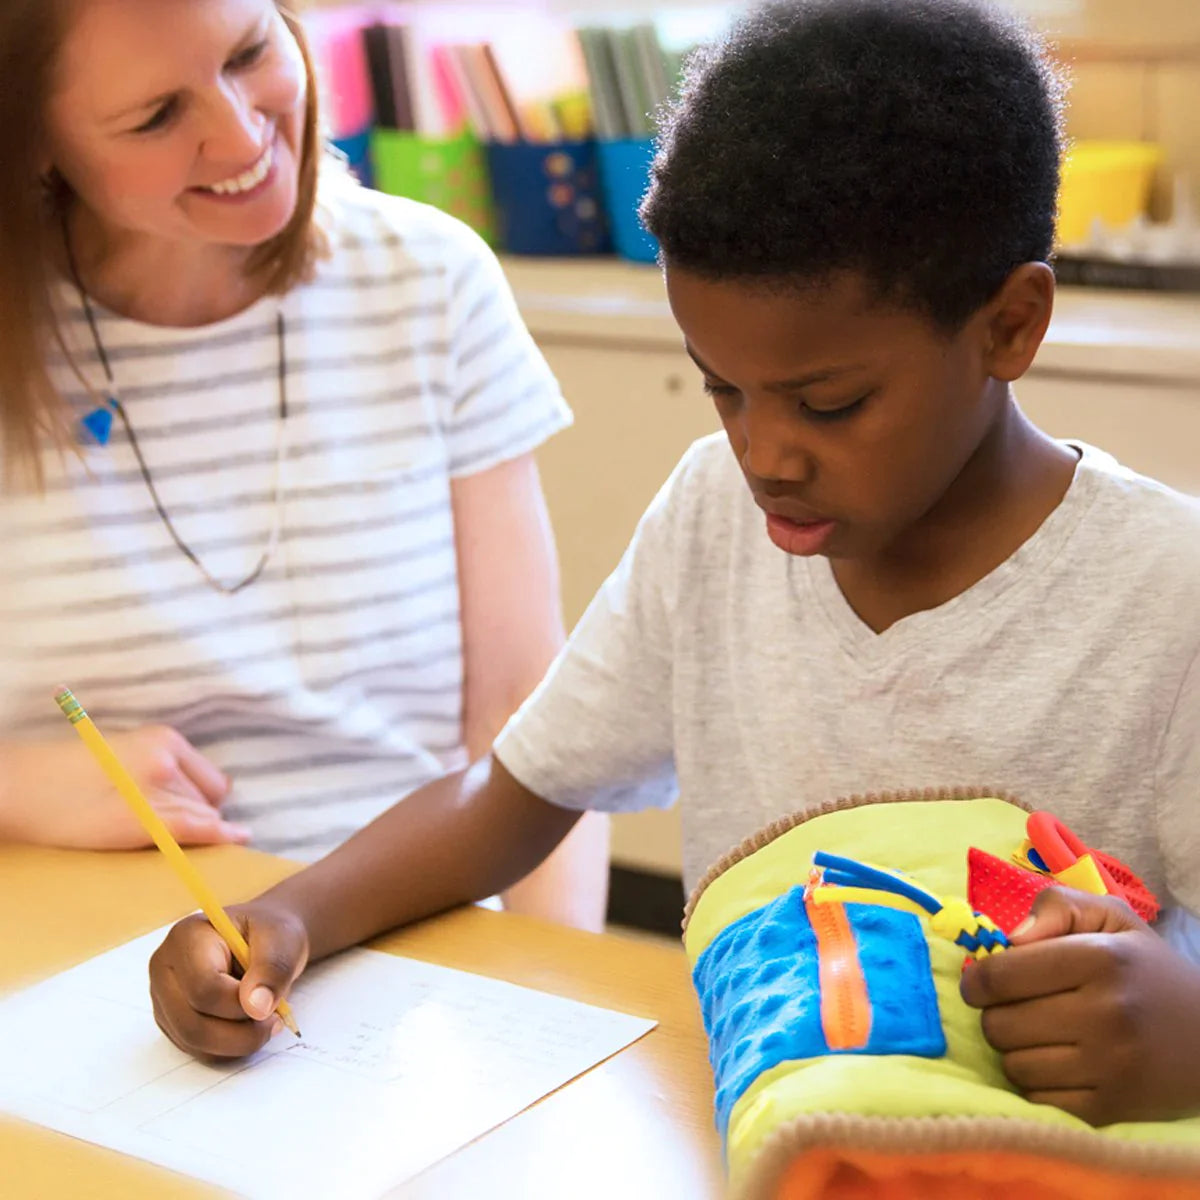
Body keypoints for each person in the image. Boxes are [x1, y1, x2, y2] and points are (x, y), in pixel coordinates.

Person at [149, 0, 1200, 1126]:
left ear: (1010, 327)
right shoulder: (710, 512)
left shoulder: (1166, 594)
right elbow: (515, 795)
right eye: (721, 386)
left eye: (830, 403)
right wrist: (292, 912)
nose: (764, 454)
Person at [0, 0, 608, 932]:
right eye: (158, 116)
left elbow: (535, 729)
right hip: (64, 948)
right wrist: (15, 785)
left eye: (251, 52)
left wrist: (560, 999)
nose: (242, 132)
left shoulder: (430, 279)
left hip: (405, 938)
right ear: (37, 143)